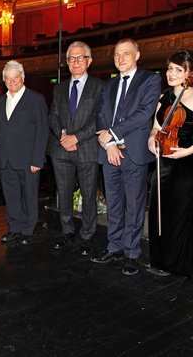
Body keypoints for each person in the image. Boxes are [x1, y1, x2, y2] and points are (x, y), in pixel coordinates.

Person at [93, 38, 161, 275]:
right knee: (114, 203)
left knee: (134, 205)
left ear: (137, 55)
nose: (120, 58)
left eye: (125, 54)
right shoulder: (108, 85)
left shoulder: (150, 80)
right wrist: (109, 143)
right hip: (110, 153)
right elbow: (101, 115)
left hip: (134, 154)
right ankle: (115, 246)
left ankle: (132, 253)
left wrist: (112, 133)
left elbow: (144, 114)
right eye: (117, 55)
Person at [48, 41, 104, 255]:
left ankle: (87, 236)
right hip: (61, 150)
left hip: (87, 149)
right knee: (63, 194)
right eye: (71, 58)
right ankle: (67, 232)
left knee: (88, 195)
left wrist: (76, 138)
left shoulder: (99, 86)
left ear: (89, 61)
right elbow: (52, 116)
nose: (75, 62)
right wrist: (62, 134)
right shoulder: (59, 88)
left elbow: (100, 119)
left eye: (80, 57)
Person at [147, 50, 193, 277]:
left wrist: (187, 151)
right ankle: (160, 261)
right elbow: (156, 127)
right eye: (169, 68)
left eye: (178, 70)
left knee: (179, 216)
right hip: (162, 162)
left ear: (189, 73)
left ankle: (180, 264)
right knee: (159, 213)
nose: (171, 74)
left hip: (186, 165)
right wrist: (151, 140)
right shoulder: (164, 97)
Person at [0, 60, 49, 245]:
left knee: (28, 195)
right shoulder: (1, 100)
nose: (12, 82)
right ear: (4, 80)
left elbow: (43, 131)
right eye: (8, 79)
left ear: (23, 78)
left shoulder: (36, 99)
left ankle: (28, 229)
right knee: (11, 196)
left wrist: (37, 160)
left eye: (16, 78)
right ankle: (14, 228)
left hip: (29, 160)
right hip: (6, 160)